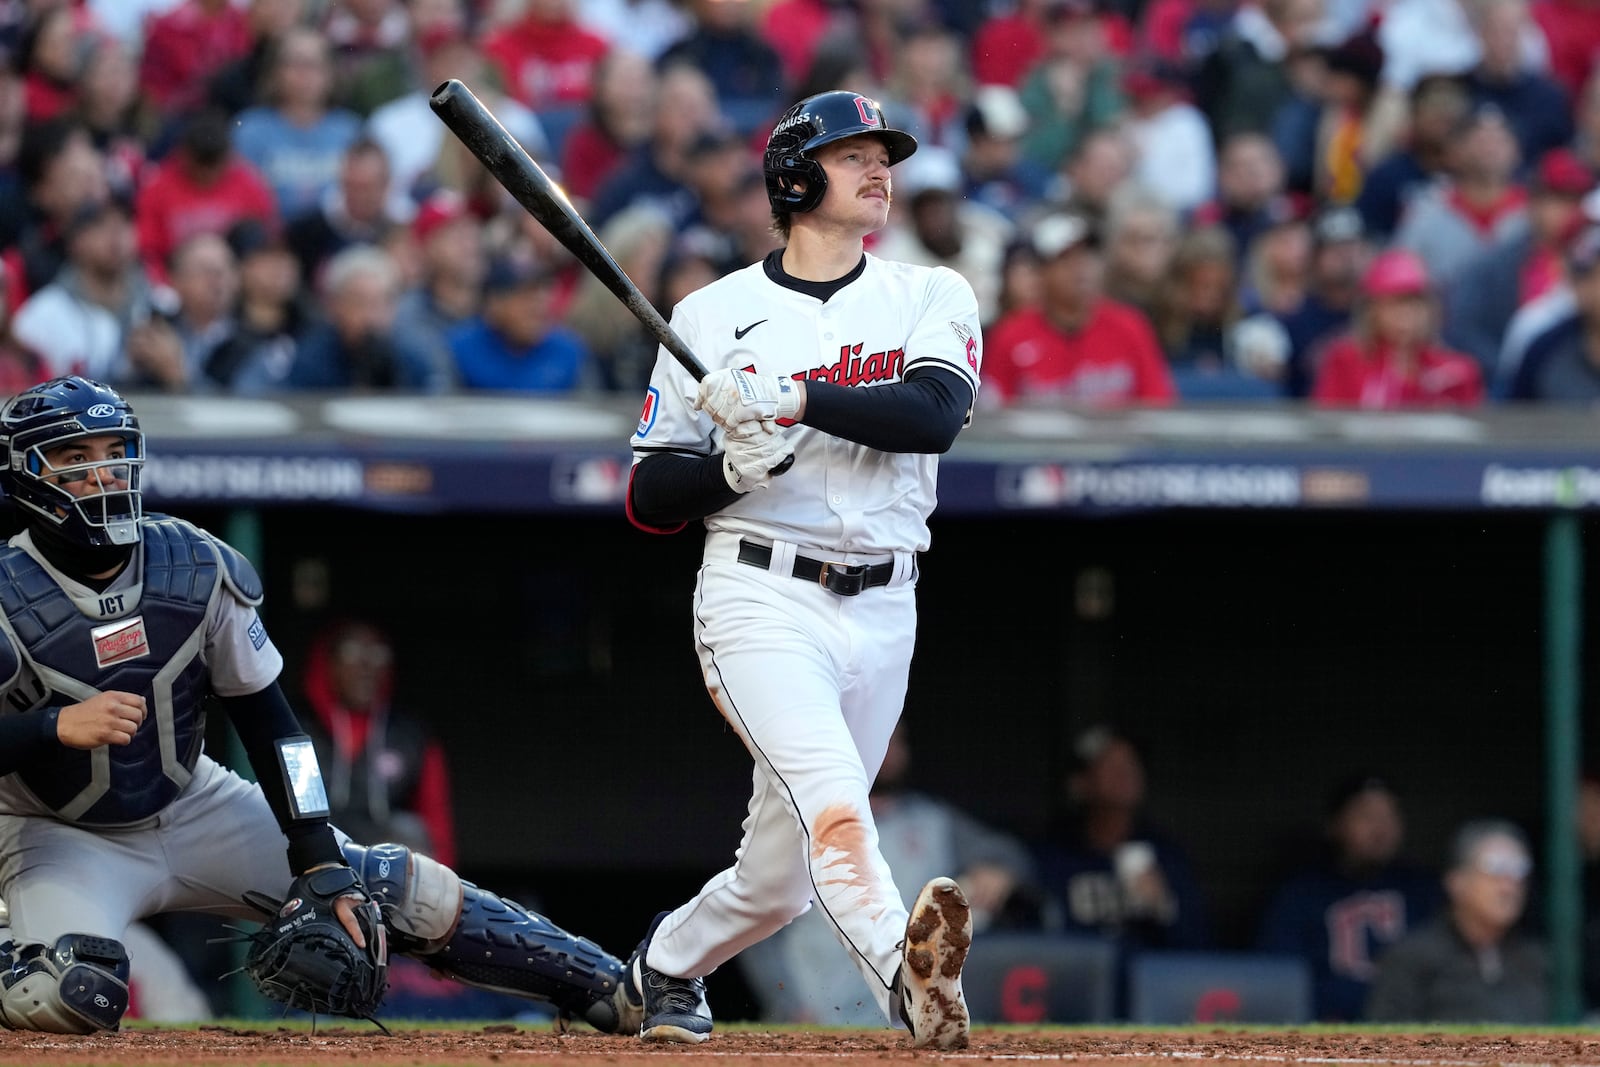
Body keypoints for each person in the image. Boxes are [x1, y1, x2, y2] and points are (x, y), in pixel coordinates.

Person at [0, 375, 643, 1035]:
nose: (102, 473)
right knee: (71, 992)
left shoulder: (191, 565)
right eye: (76, 459)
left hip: (192, 801)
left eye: (114, 451)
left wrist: (317, 850)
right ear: (23, 471)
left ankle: (612, 985)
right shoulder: (6, 586)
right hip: (59, 832)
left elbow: (275, 727)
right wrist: (52, 726)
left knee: (388, 886)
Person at [622, 89, 983, 1049]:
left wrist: (792, 397)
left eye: (885, 155)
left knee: (779, 878)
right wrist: (726, 470)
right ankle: (907, 984)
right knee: (836, 803)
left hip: (884, 602)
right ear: (793, 176)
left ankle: (663, 965)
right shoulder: (712, 311)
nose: (880, 170)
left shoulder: (931, 294)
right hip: (759, 593)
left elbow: (932, 417)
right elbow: (652, 494)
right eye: (853, 154)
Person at [739, 720, 1038, 1025]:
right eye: (882, 736)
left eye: (899, 741)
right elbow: (756, 927)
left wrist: (997, 869)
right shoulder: (803, 821)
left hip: (905, 1024)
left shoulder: (931, 821)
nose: (892, 750)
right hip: (817, 1016)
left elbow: (1010, 854)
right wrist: (788, 1004)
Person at [1255, 775, 1444, 1022]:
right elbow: (1278, 979)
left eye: (1390, 816)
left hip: (1409, 1030)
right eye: (1366, 816)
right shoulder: (1302, 893)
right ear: (1334, 824)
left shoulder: (1423, 890)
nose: (1380, 828)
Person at [1032, 725, 1211, 956]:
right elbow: (1041, 942)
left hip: (1149, 985)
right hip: (1080, 982)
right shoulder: (1052, 857)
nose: (1125, 773)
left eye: (1130, 764)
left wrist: (1163, 905)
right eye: (1110, 766)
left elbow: (1200, 948)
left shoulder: (1166, 855)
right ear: (1080, 783)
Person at [1365, 819, 1549, 1022]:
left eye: (1519, 870)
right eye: (1495, 869)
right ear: (1457, 881)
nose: (1508, 886)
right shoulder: (1411, 959)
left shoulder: (1537, 959)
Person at [1310, 248, 1485, 407]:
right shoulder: (1344, 361)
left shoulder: (1457, 372)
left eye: (1414, 304)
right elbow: (1327, 425)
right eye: (1394, 305)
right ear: (1372, 311)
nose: (1405, 315)